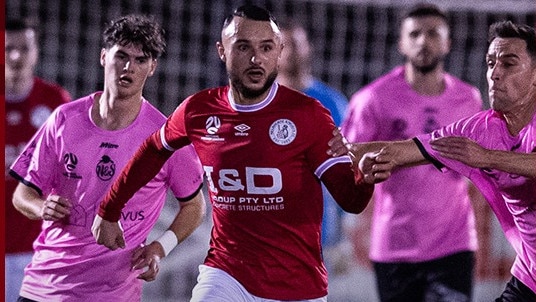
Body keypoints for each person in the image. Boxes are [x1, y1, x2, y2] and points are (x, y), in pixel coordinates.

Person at [92, 4, 374, 301]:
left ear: (277, 51)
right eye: (243, 47)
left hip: (297, 277)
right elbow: (152, 150)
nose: (255, 58)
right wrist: (109, 210)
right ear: (222, 51)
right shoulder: (199, 110)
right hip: (226, 273)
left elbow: (350, 197)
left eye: (266, 47)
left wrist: (365, 180)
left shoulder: (314, 112)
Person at [330, 20, 536, 301]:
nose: (494, 74)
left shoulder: (470, 108)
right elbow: (406, 149)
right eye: (490, 63)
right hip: (529, 276)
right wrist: (340, 150)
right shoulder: (480, 130)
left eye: (508, 64)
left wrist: (488, 158)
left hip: (453, 247)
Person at [9, 14, 206, 302]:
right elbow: (22, 195)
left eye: (140, 60)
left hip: (113, 294)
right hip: (46, 287)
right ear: (104, 57)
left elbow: (195, 207)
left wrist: (159, 247)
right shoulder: (65, 119)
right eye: (121, 56)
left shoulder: (165, 137)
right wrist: (42, 207)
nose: (128, 67)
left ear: (152, 68)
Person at [340, 4, 484, 301]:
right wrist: (366, 169)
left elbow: (478, 162)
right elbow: (347, 156)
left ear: (447, 43)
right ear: (401, 44)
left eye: (433, 33)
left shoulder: (468, 99)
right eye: (414, 34)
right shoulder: (372, 99)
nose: (423, 41)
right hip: (394, 246)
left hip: (453, 242)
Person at [5, 18, 72, 302]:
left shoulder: (55, 101)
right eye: (8, 48)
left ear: (36, 51)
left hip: (38, 250)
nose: (16, 56)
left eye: (24, 48)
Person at [276, 18, 350, 274]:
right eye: (283, 46)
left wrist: (347, 228)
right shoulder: (257, 102)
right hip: (265, 230)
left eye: (296, 45)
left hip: (317, 233)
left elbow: (348, 167)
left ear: (308, 49)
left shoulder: (332, 103)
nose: (290, 53)